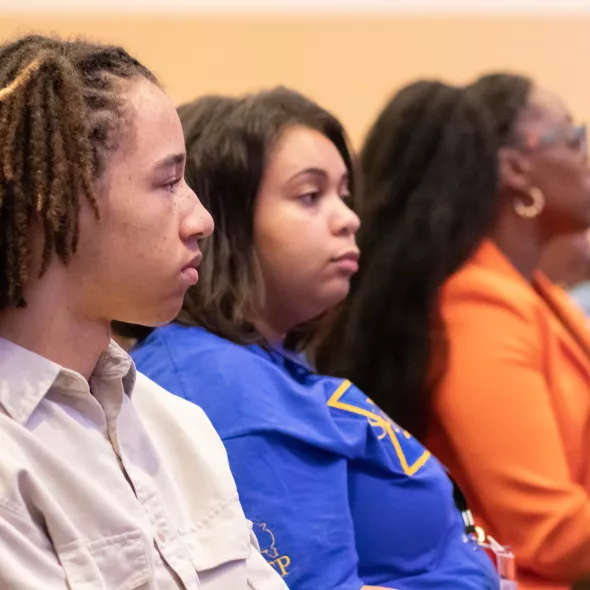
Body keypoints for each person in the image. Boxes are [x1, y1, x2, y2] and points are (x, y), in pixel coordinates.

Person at [131, 87, 499, 590]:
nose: (349, 218)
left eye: (344, 194)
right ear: (227, 221)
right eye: (310, 196)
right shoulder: (221, 385)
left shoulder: (268, 360)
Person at [0, 34, 288, 589]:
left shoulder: (179, 424)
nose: (200, 219)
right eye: (169, 181)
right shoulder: (13, 459)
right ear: (58, 200)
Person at [316, 74, 590, 590]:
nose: (585, 156)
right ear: (515, 169)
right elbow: (549, 534)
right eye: (572, 137)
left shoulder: (533, 292)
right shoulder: (479, 302)